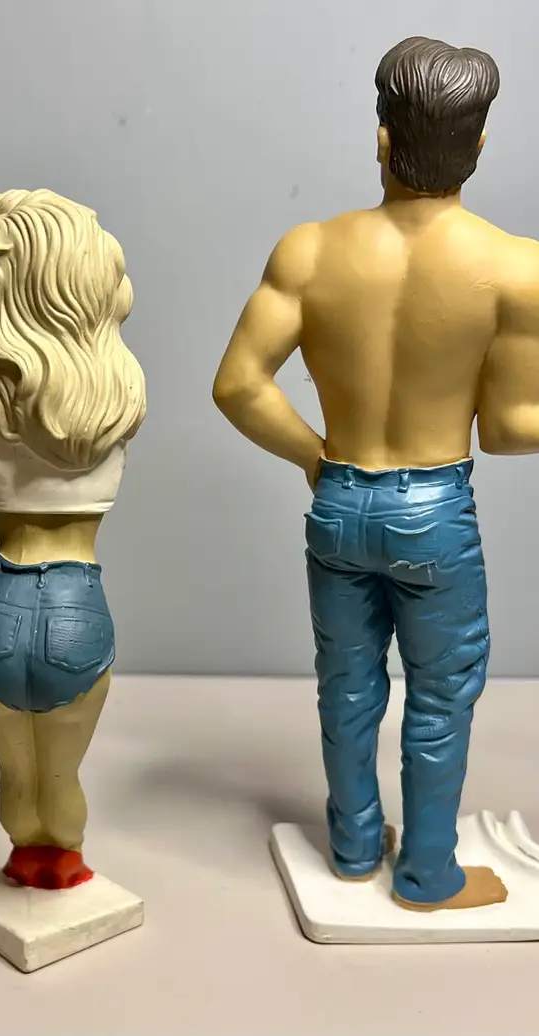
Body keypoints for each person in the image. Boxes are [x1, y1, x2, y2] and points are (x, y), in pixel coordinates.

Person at [212, 36, 539, 910]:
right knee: (441, 695)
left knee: (347, 685)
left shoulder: (310, 251)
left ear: (383, 139)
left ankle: (354, 849)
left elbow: (238, 386)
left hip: (340, 498)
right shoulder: (516, 268)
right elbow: (509, 431)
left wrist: (315, 457)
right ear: (478, 146)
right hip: (434, 509)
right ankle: (427, 872)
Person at [0, 189, 145, 890]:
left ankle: (22, 858)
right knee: (61, 774)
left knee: (15, 772)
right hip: (75, 607)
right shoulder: (119, 408)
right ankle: (62, 865)